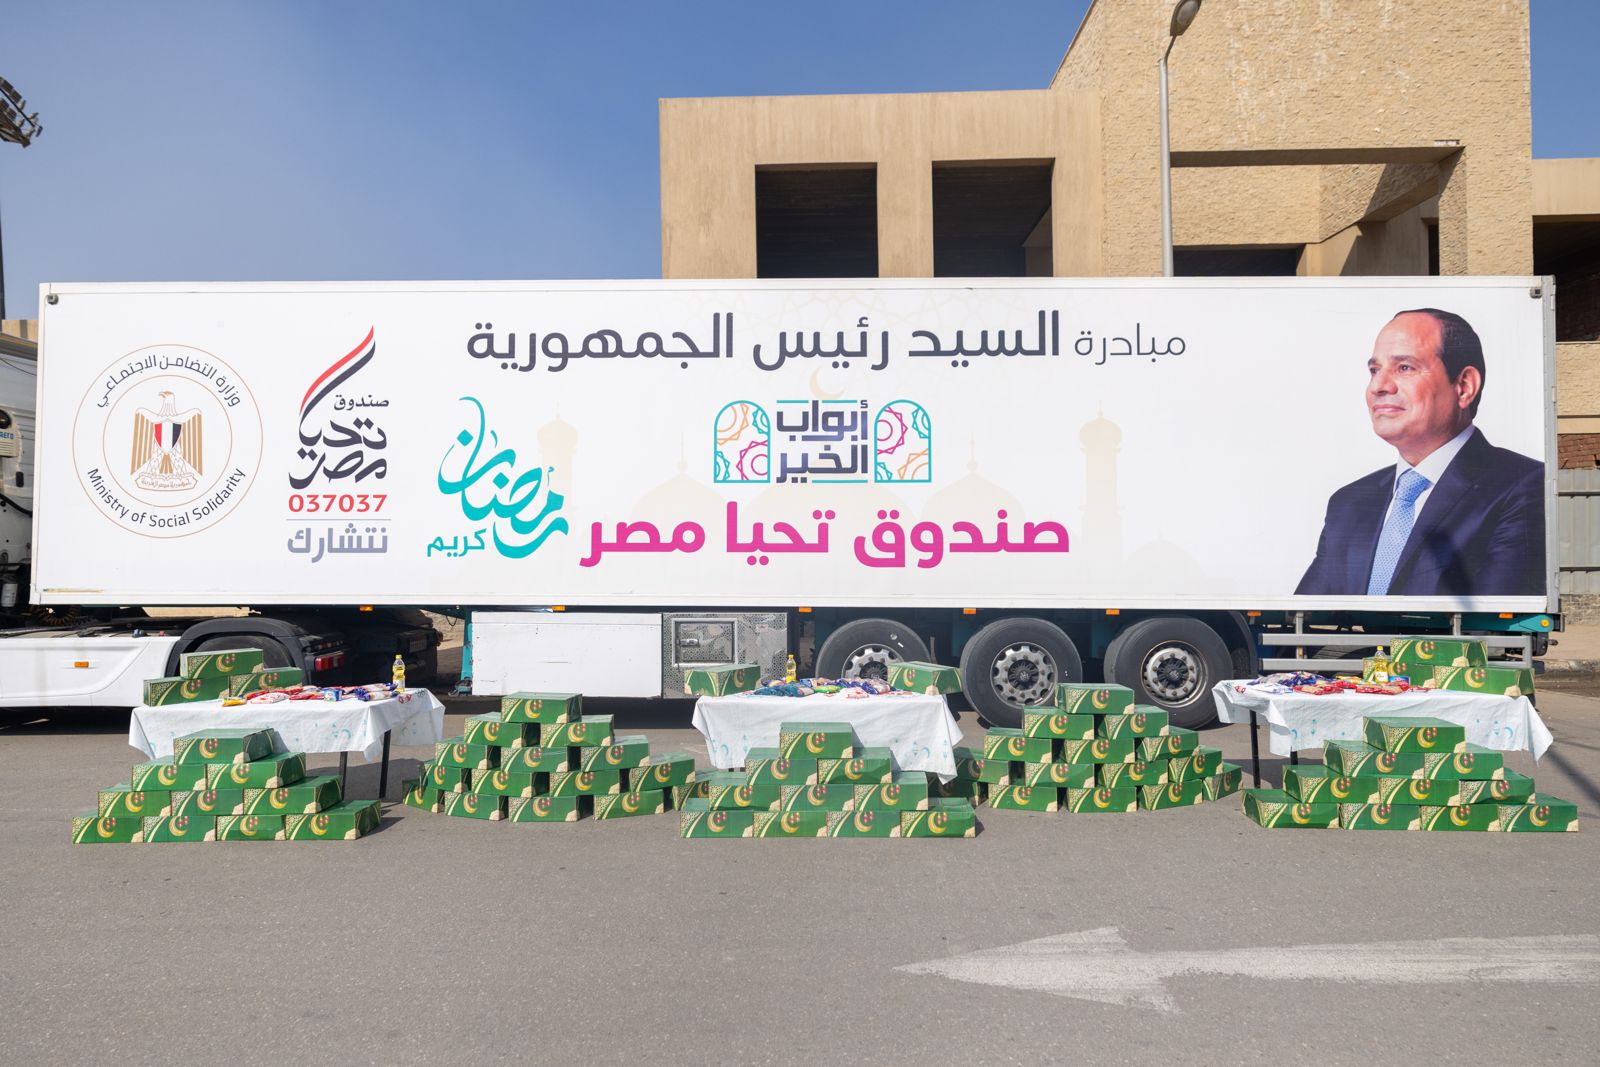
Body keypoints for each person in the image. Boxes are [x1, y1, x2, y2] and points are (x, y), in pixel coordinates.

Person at [1296, 308, 1544, 597]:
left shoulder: (1523, 486)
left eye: (1405, 368)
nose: (1378, 386)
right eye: (1374, 370)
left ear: (1464, 386)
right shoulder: (1349, 503)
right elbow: (1301, 618)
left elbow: (1495, 617)